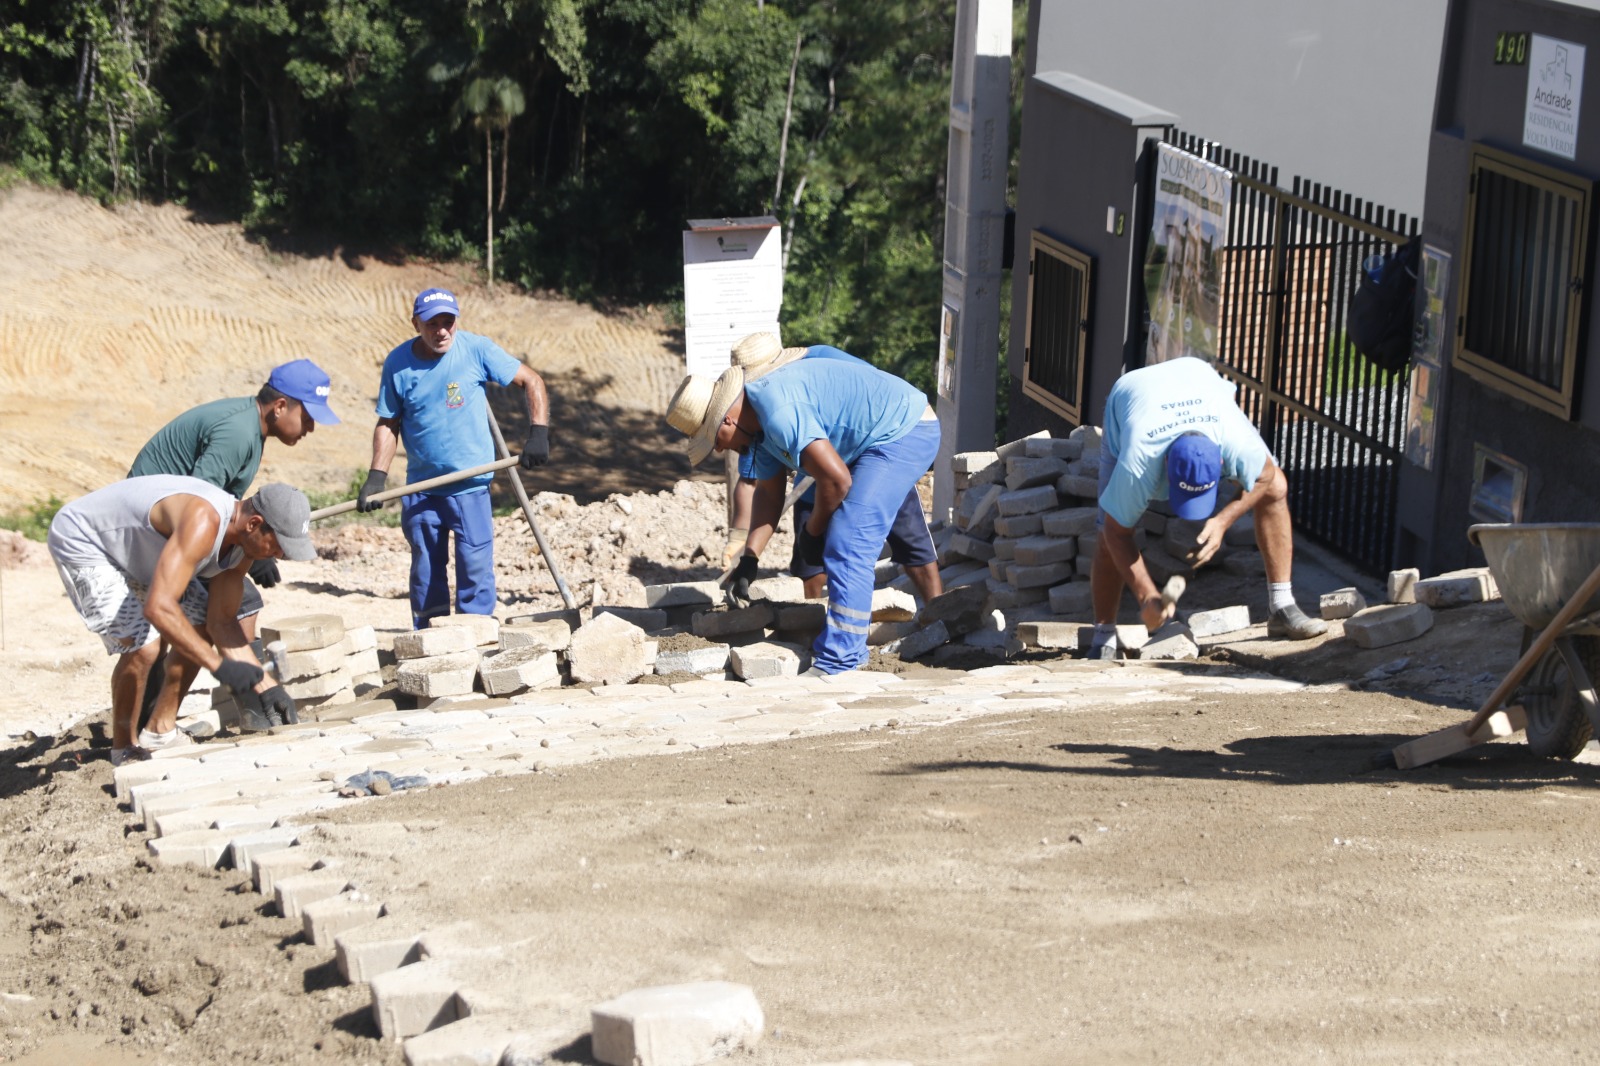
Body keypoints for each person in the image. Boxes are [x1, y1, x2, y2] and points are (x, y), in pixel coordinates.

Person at [666, 355, 941, 676]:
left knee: (848, 538)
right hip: (870, 439)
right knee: (850, 533)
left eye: (713, 440)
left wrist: (815, 529)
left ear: (726, 421)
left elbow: (837, 481)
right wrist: (750, 558)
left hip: (903, 429)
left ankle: (842, 659)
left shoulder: (777, 413)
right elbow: (768, 496)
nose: (717, 450)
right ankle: (910, 631)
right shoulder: (755, 430)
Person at [127, 360, 341, 722]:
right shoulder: (238, 434)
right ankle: (250, 707)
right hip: (147, 532)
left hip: (168, 531)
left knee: (222, 608)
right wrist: (253, 551)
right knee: (230, 608)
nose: (311, 427)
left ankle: (244, 704)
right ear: (280, 406)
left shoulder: (250, 428)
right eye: (308, 416)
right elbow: (200, 503)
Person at [47, 478, 314, 765]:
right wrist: (220, 667)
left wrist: (267, 687)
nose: (280, 555)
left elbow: (221, 623)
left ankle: (160, 731)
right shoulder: (204, 521)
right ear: (253, 524)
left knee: (198, 622)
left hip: (137, 550)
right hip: (86, 541)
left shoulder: (240, 549)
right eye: (277, 546)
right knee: (143, 647)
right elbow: (158, 608)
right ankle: (123, 748)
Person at [1087, 356, 1327, 660]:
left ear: (1222, 464)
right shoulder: (1139, 462)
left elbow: (1269, 477)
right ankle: (1103, 636)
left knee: (1275, 489)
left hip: (1198, 380)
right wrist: (1147, 594)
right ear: (1164, 468)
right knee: (1106, 531)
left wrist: (1222, 521)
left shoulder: (1233, 441)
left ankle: (1281, 606)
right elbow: (1116, 532)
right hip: (1132, 394)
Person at [357, 287, 550, 629]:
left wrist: (538, 433)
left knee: (475, 567)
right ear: (416, 323)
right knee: (426, 571)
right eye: (432, 323)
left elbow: (531, 381)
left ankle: (475, 635)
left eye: (448, 322)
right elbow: (389, 422)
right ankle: (430, 639)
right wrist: (377, 476)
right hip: (422, 488)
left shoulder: (476, 349)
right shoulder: (398, 363)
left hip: (470, 486)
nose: (442, 331)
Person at [723, 333, 942, 606]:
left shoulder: (821, 359)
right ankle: (811, 620)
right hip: (816, 461)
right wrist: (749, 556)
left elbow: (870, 392)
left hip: (873, 446)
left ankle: (940, 614)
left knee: (898, 536)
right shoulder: (758, 418)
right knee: (809, 554)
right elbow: (764, 488)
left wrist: (818, 525)